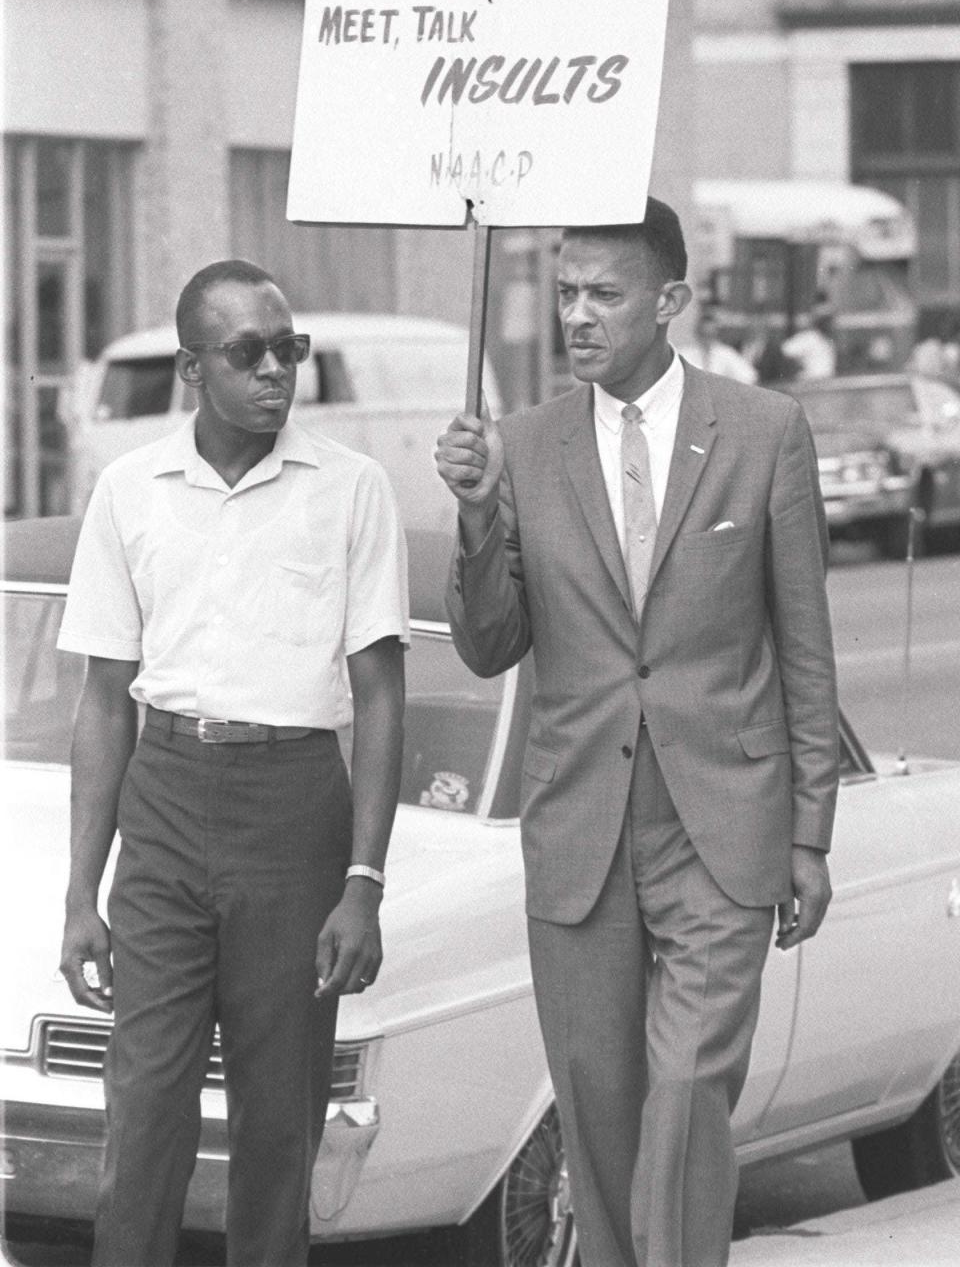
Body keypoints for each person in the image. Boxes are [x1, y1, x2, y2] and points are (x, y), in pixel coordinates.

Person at [435, 199, 839, 1267]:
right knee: (598, 1100)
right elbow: (487, 645)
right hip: (580, 822)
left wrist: (810, 834)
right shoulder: (519, 447)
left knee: (688, 1084)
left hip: (724, 817)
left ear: (670, 303)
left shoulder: (763, 432)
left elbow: (804, 647)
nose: (577, 315)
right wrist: (478, 515)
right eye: (566, 292)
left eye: (604, 294)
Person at [57, 260, 408, 1267]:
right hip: (163, 802)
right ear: (190, 369)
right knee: (147, 1105)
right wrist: (84, 892)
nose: (275, 371)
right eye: (248, 352)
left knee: (277, 1117)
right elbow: (101, 701)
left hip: (294, 809)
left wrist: (364, 883)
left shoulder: (350, 488)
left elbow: (380, 693)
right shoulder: (129, 491)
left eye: (288, 350)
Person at [677, 303, 757, 384]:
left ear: (716, 335)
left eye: (711, 334)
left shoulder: (726, 354)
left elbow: (750, 377)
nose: (707, 339)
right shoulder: (685, 354)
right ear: (697, 334)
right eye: (704, 334)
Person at [781, 303, 837, 380]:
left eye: (829, 320)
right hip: (809, 383)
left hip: (827, 383)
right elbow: (785, 350)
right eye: (825, 320)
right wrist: (796, 366)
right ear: (819, 321)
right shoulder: (808, 337)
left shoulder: (829, 340)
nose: (829, 324)